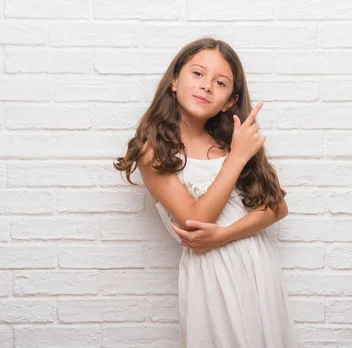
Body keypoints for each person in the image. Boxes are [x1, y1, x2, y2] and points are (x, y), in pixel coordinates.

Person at [114, 37, 298, 348]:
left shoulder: (232, 142)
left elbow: (277, 207)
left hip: (258, 269)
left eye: (220, 82)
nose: (206, 86)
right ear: (174, 80)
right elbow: (194, 222)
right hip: (213, 275)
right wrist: (238, 157)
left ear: (229, 101)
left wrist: (225, 235)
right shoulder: (154, 151)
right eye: (197, 74)